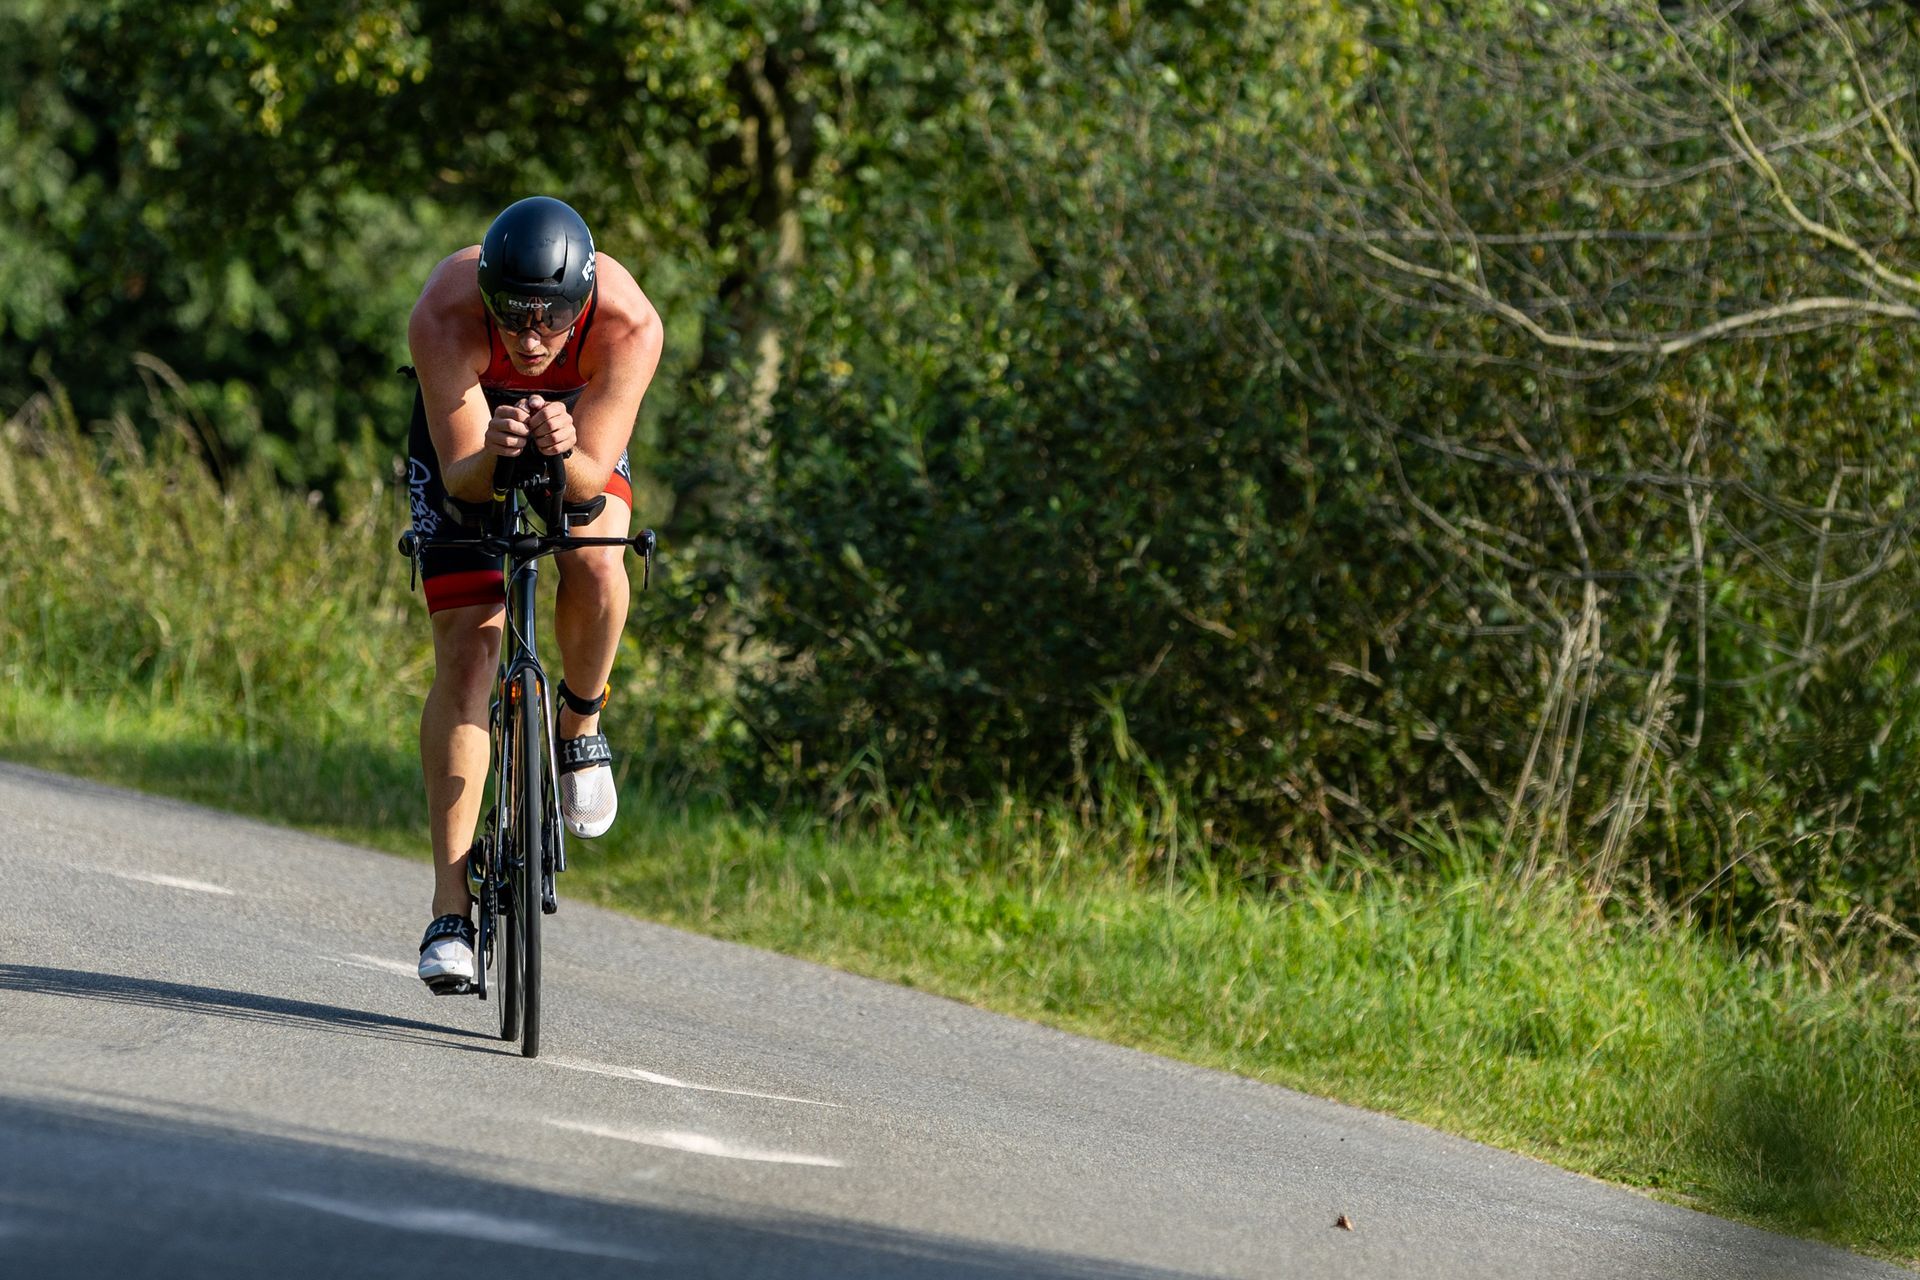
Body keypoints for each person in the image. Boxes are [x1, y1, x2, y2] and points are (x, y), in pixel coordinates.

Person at [405, 196, 663, 992]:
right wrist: (494, 450)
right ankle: (451, 907)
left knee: (595, 559)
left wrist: (563, 448)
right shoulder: (445, 311)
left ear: (581, 303)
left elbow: (589, 484)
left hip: (579, 427)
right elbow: (460, 478)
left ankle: (580, 725)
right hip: (473, 434)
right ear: (485, 295)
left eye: (550, 320)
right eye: (512, 318)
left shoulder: (627, 323)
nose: (529, 338)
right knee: (471, 647)